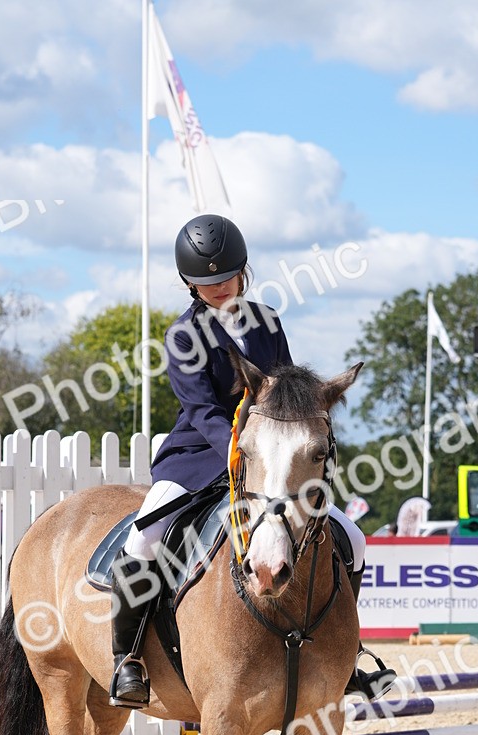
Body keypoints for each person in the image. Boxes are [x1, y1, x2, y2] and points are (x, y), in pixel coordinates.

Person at [109, 213, 395, 708]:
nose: (219, 289)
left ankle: (342, 654)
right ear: (189, 285)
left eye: (226, 278)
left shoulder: (267, 321)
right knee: (144, 538)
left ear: (244, 271)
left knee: (353, 537)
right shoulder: (183, 336)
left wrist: (280, 444)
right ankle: (127, 660)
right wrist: (241, 452)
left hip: (274, 457)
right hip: (200, 454)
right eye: (205, 283)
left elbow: (283, 391)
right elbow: (200, 409)